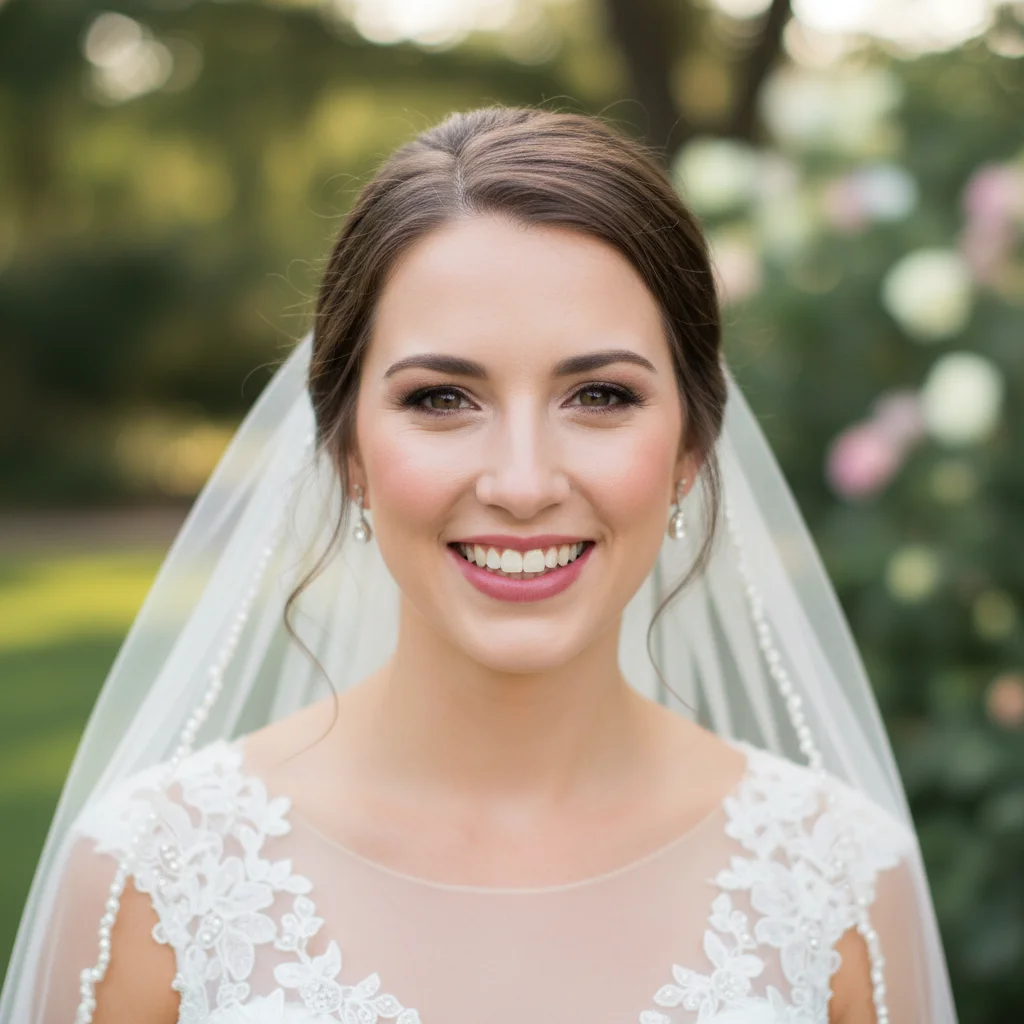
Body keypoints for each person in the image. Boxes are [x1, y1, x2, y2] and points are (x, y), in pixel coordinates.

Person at [0, 106, 956, 1024]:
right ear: (347, 452)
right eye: (443, 398)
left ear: (691, 453)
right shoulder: (151, 878)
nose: (524, 482)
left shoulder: (842, 886)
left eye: (599, 393)